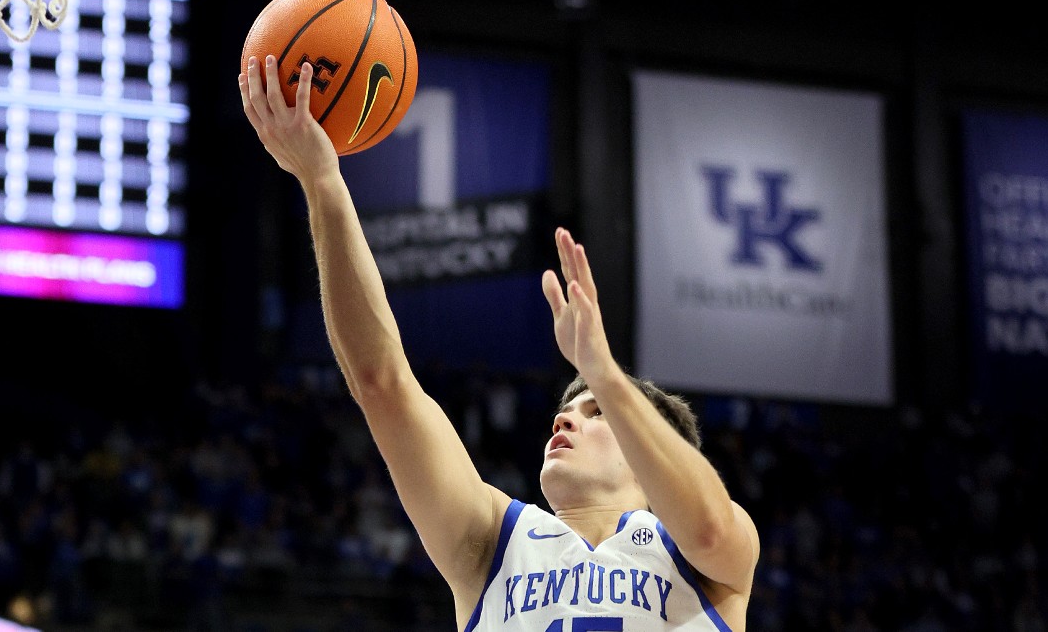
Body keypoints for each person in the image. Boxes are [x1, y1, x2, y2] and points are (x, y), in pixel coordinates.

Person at [238, 55, 760, 631]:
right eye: (566, 411)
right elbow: (382, 384)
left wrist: (604, 374)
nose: (564, 422)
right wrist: (322, 182)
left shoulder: (707, 560)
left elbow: (708, 526)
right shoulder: (493, 541)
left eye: (594, 413)